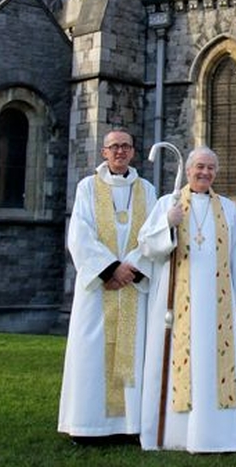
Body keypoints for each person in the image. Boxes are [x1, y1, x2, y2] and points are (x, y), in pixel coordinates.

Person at [138, 147, 236, 453]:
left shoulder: (229, 210)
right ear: (189, 170)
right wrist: (168, 222)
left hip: (218, 306)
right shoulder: (170, 203)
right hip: (178, 305)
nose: (205, 173)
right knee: (181, 363)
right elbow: (147, 247)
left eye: (210, 168)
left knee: (215, 366)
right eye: (199, 167)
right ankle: (176, 435)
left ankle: (219, 435)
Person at [58, 129, 156, 441]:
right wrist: (111, 269)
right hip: (98, 290)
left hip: (131, 288)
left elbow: (153, 235)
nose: (119, 152)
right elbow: (80, 234)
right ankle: (88, 427)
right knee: (91, 354)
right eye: (114, 147)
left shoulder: (147, 190)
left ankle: (129, 427)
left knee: (133, 353)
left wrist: (131, 269)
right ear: (104, 152)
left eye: (126, 146)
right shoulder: (88, 187)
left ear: (133, 152)